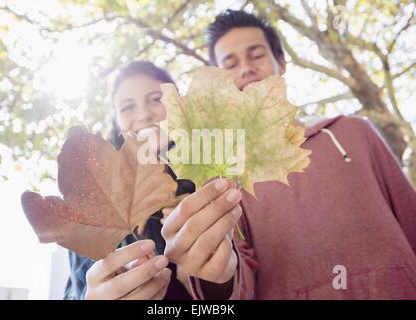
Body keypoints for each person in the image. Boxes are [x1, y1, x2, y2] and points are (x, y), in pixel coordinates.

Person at [161, 10, 416, 299]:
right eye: (229, 64)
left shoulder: (353, 132)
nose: (245, 69)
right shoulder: (224, 179)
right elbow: (239, 279)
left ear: (281, 63)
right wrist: (217, 274)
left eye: (256, 55)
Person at [64, 61, 195, 300]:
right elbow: (75, 289)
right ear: (117, 124)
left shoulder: (211, 179)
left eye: (156, 99)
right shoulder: (95, 198)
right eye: (127, 107)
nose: (144, 115)